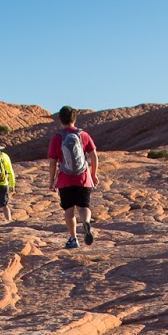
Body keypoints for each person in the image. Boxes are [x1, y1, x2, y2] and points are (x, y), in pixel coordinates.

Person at [46, 106, 97, 247]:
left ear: (60, 120)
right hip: (83, 178)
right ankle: (86, 222)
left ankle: (73, 239)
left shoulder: (57, 138)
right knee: (83, 206)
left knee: (69, 210)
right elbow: (93, 156)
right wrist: (93, 175)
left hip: (65, 179)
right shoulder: (83, 135)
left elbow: (52, 163)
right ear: (74, 119)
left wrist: (52, 182)